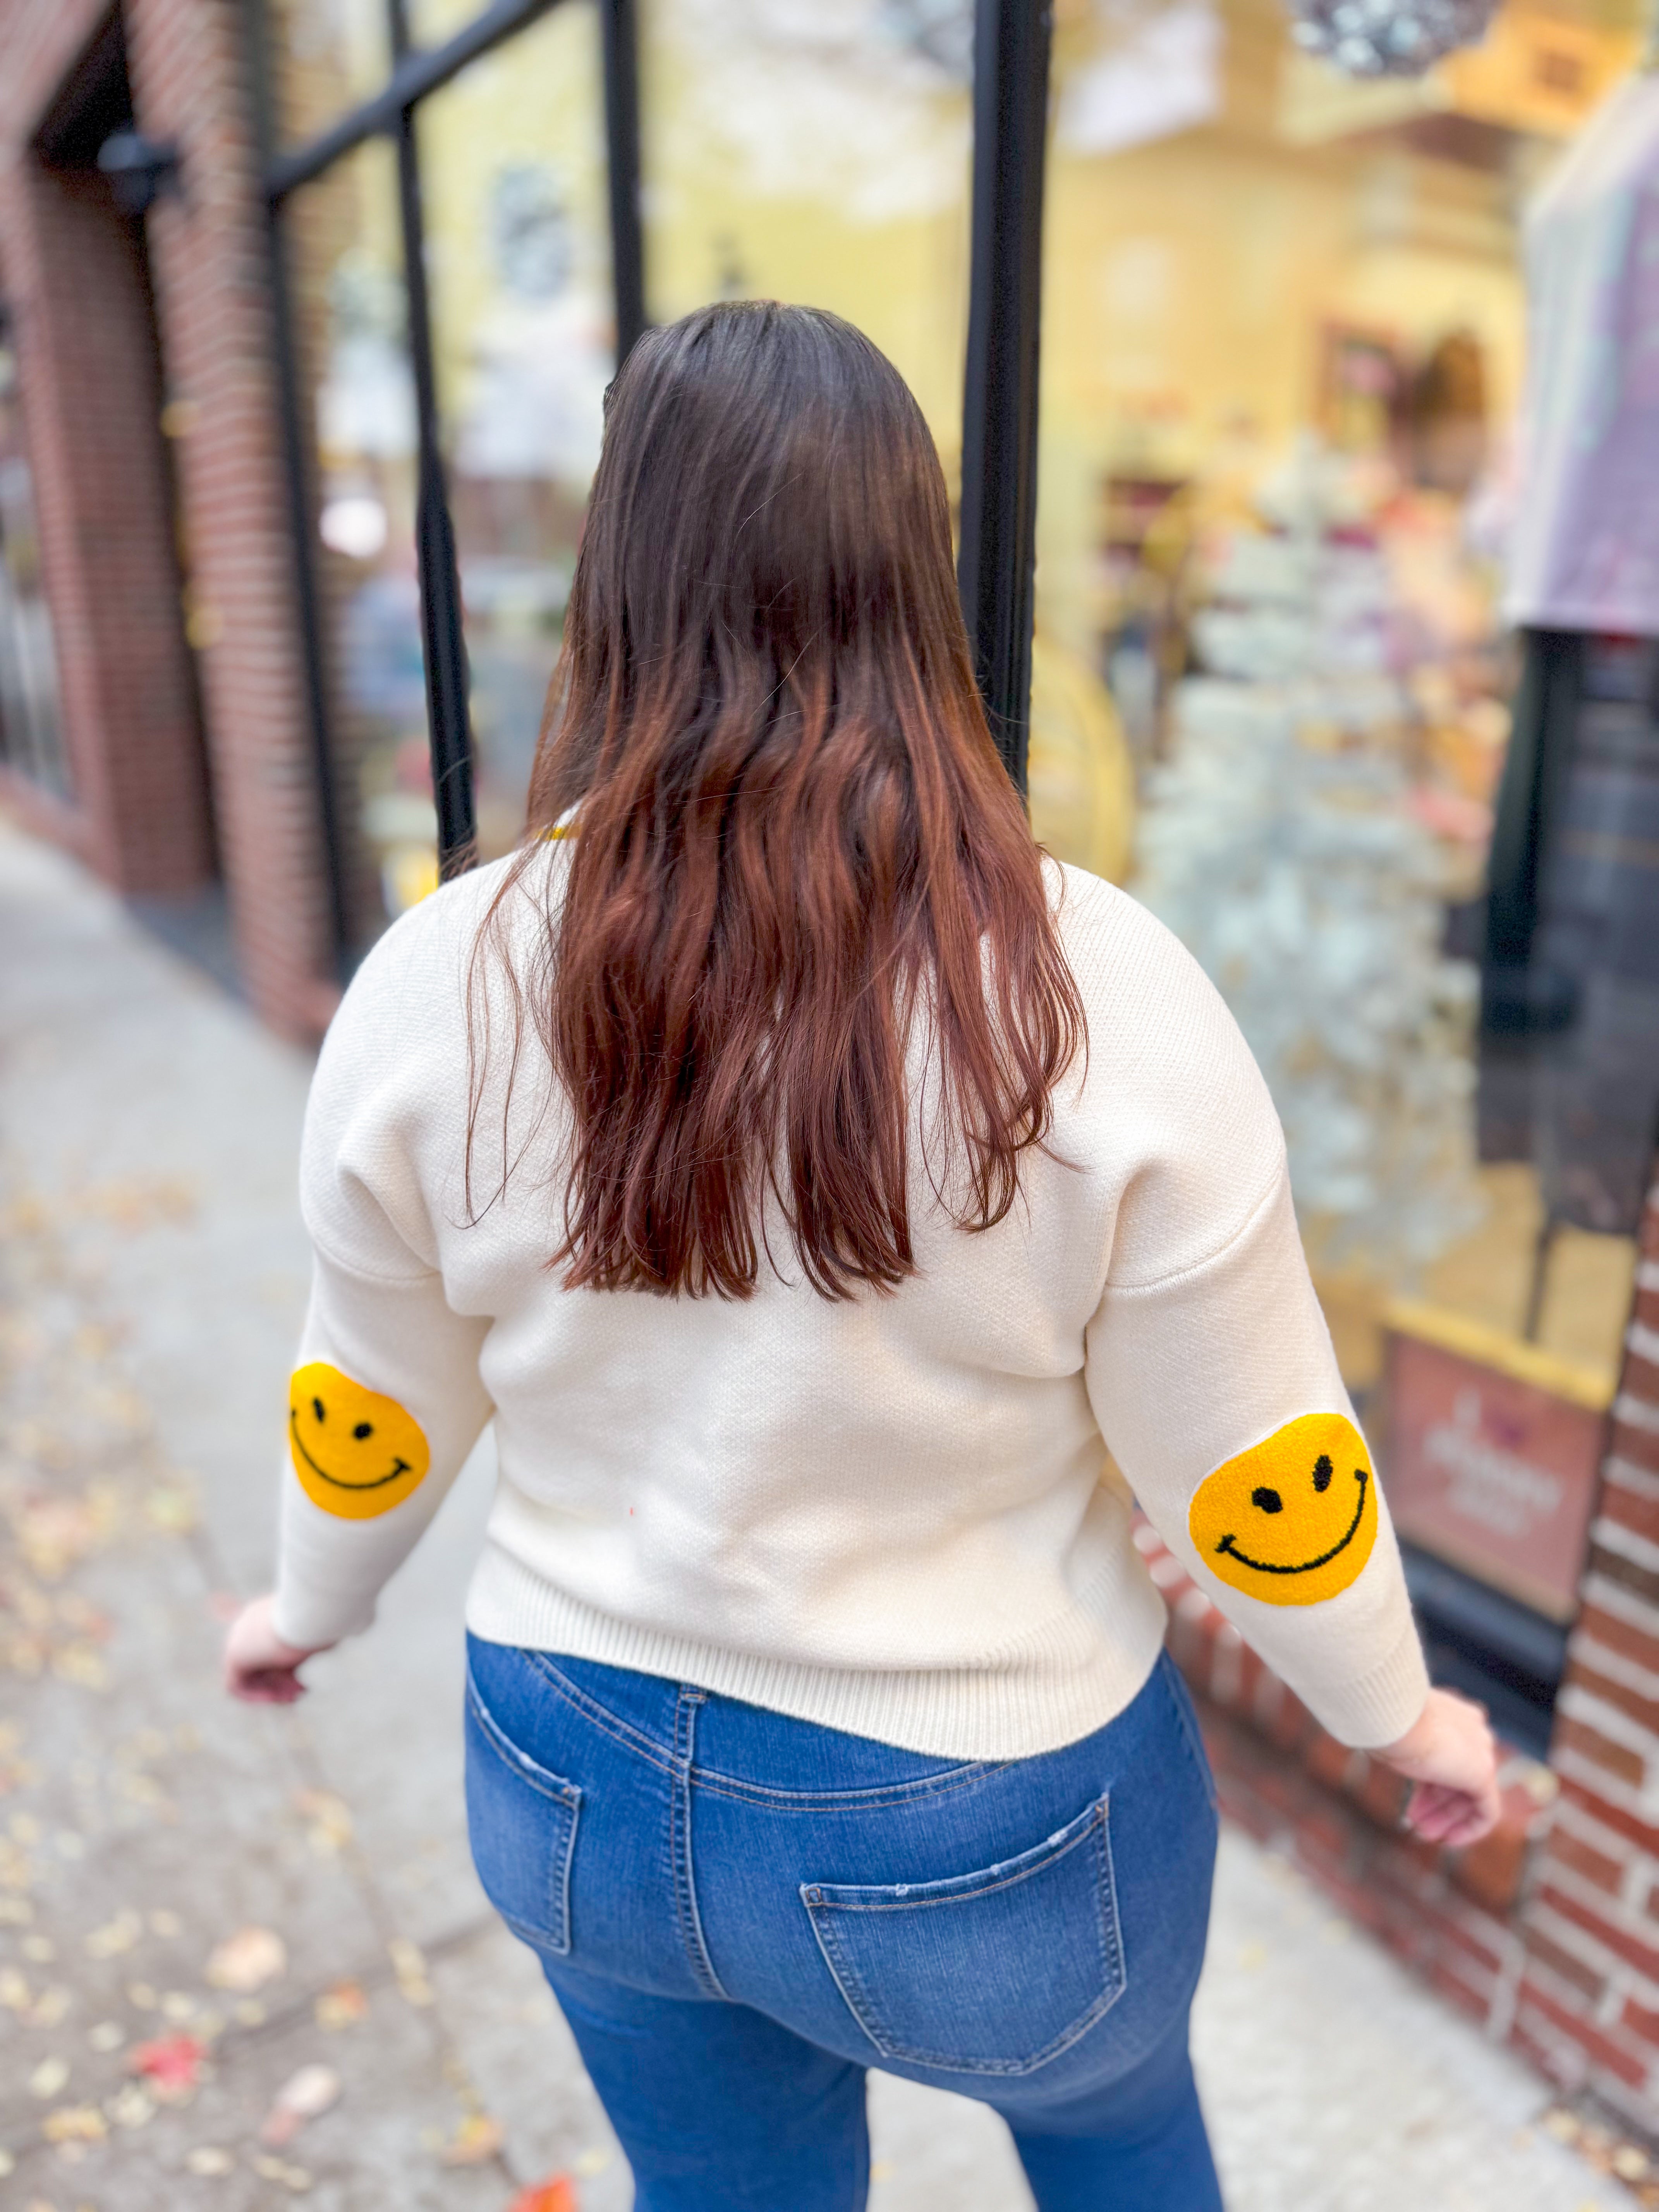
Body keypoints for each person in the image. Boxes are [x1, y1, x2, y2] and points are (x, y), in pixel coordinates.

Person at [225, 301, 1499, 2211]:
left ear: (615, 584)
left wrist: (307, 1606)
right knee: (1120, 2140)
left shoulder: (440, 978)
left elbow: (370, 1397)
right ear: (919, 574)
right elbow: (1253, 1467)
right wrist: (1396, 1709)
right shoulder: (1092, 996)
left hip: (564, 1759)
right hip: (984, 1814)